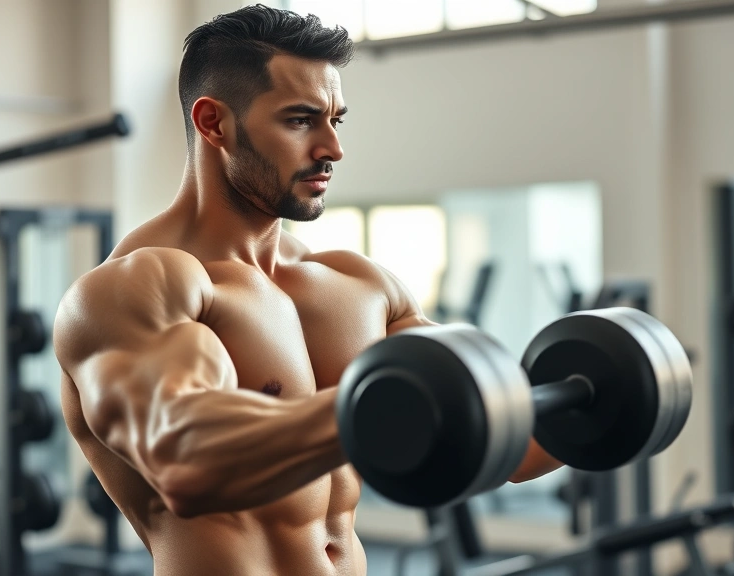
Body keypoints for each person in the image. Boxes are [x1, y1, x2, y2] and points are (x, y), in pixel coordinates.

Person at [54, 5, 562, 575]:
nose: (332, 148)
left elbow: (506, 442)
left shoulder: (359, 285)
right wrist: (379, 402)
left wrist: (595, 403)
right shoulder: (136, 291)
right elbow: (187, 463)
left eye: (335, 120)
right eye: (300, 120)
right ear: (214, 124)